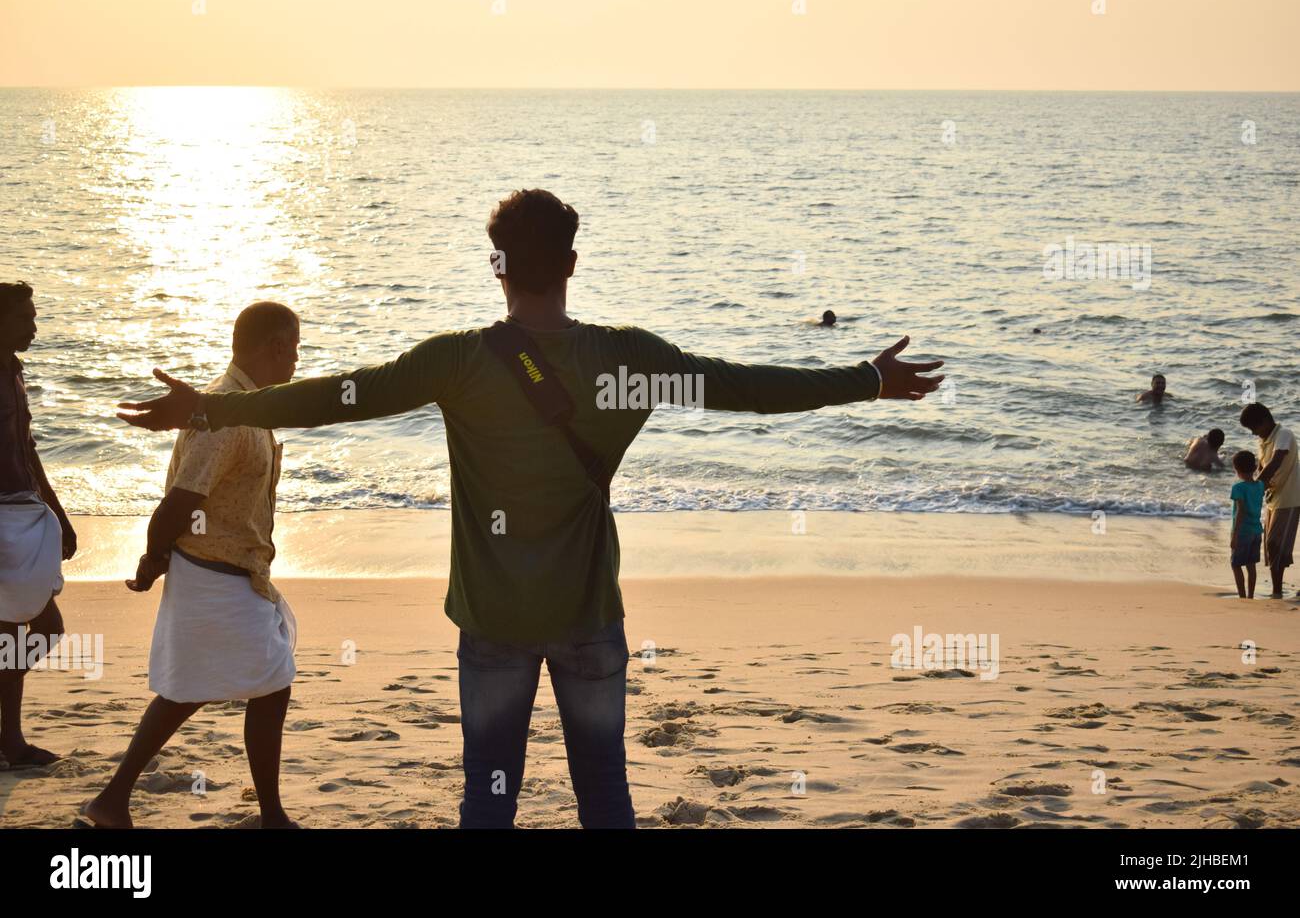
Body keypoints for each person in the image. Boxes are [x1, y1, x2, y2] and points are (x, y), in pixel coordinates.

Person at [115, 189, 945, 828]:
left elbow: (341, 395)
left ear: (499, 267)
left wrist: (211, 410)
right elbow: (748, 388)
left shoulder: (457, 364)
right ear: (573, 264)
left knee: (490, 794)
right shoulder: (631, 361)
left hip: (495, 621)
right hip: (587, 613)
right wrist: (864, 380)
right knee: (604, 792)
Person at [85, 303, 301, 828]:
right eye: (294, 347)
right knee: (253, 685)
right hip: (215, 575)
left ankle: (113, 801)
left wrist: (160, 558)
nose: (297, 359)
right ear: (274, 346)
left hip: (232, 572)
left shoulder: (243, 405)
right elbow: (179, 504)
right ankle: (267, 815)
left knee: (208, 689)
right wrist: (153, 557)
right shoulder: (227, 413)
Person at [0, 282, 76, 768]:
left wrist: (59, 512)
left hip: (24, 512)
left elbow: (27, 448)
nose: (34, 325)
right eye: (26, 316)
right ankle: (11, 740)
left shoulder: (14, 371)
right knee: (31, 627)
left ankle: (10, 739)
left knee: (28, 631)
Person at [1239, 403, 1299, 599]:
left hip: (1291, 496)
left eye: (1254, 428)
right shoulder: (1264, 441)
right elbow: (1261, 466)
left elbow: (1276, 461)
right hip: (1274, 496)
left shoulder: (1284, 434)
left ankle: (1276, 591)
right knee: (1270, 544)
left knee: (1276, 543)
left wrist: (1256, 488)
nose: (1254, 433)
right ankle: (1277, 589)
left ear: (1265, 421)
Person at [1229, 450, 1264, 599]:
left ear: (1236, 469)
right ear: (1255, 467)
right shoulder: (1260, 485)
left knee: (1236, 564)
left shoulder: (1238, 488)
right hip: (1256, 530)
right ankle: (1250, 595)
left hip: (1243, 532)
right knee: (1251, 564)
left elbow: (1240, 512)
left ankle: (1242, 596)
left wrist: (1235, 535)